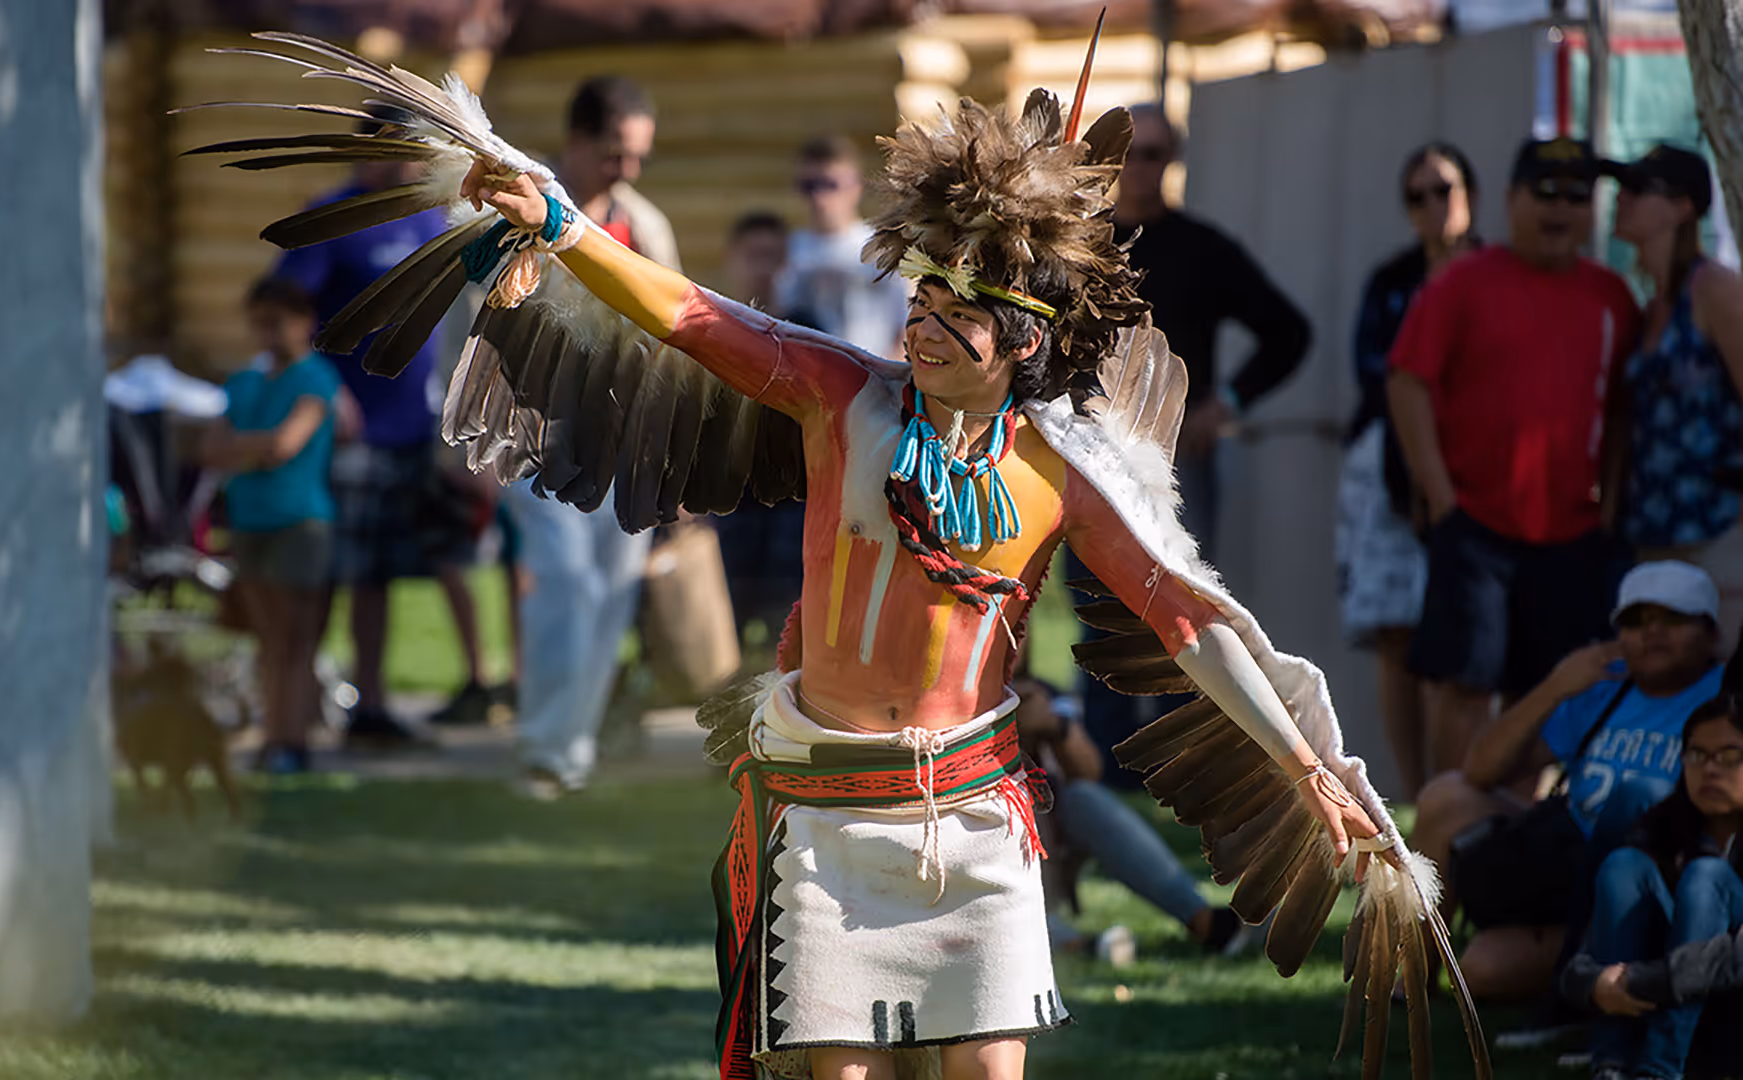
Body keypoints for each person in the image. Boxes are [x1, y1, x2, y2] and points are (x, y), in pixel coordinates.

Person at [202, 44, 1484, 1080]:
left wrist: (1308, 764)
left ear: (1023, 343)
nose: (922, 319)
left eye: (957, 308)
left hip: (974, 818)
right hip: (820, 814)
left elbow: (1194, 622)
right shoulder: (839, 399)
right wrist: (558, 221)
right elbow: (696, 315)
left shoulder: (1057, 475)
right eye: (918, 293)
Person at [1388, 135, 1643, 781]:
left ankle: (1511, 844)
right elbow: (1407, 381)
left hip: (1572, 535)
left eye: (1577, 196)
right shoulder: (1465, 283)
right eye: (1545, 192)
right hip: (1476, 527)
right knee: (1464, 691)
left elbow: (1618, 411)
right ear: (1510, 199)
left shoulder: (1612, 295)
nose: (1560, 208)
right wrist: (1443, 500)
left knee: (1547, 694)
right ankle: (1446, 846)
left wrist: (1608, 503)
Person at [1072, 103, 1312, 783]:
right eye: (1126, 154)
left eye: (1152, 154)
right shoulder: (1079, 248)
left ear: (1171, 161)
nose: (1138, 168)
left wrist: (1225, 404)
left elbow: (1288, 331)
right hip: (1089, 460)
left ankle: (1184, 773)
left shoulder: (1203, 249)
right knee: (1098, 613)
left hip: (1174, 465)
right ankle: (1107, 771)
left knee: (1181, 614)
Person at [1411, 561, 1725, 1001]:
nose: (1653, 631)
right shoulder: (1603, 688)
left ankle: (1602, 986)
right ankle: (1405, 982)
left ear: (1712, 633)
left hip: (1655, 884)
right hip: (1567, 868)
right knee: (1447, 796)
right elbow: (1480, 770)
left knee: (1482, 970)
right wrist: (1556, 686)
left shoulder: (1727, 698)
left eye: (1673, 618)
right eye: (1636, 621)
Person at [275, 139, 500, 743]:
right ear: (368, 154)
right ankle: (296, 713)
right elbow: (286, 312)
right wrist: (324, 390)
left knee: (380, 576)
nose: (410, 169)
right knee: (324, 575)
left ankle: (368, 706)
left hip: (413, 433)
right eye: (398, 156)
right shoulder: (333, 219)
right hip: (347, 433)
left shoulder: (434, 220)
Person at [501, 74, 675, 799]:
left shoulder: (644, 224)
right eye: (613, 153)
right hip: (531, 430)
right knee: (564, 584)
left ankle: (572, 745)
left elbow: (674, 333)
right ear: (575, 141)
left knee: (611, 591)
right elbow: (465, 323)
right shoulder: (516, 207)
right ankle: (546, 748)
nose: (626, 169)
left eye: (637, 156)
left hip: (625, 439)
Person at [1335, 142, 1481, 800]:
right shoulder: (1393, 280)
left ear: (1471, 196)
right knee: (1396, 633)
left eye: (1443, 190)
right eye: (1417, 196)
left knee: (1461, 636)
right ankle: (1417, 789)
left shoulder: (1492, 275)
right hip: (1389, 473)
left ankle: (1459, 783)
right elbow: (1377, 373)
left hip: (1476, 472)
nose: (1432, 206)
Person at [1563, 695, 1743, 1080]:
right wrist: (1595, 983)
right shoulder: (1664, 825)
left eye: (1729, 756)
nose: (1710, 769)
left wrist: (1639, 980)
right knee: (1622, 866)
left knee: (1706, 876)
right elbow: (1579, 964)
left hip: (1730, 1024)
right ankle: (1611, 1066)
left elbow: (1736, 961)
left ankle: (1656, 1073)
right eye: (1697, 754)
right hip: (1657, 1003)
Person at [203, 278, 341, 774]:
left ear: (303, 322)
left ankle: (292, 738)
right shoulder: (243, 381)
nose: (265, 332)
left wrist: (248, 446)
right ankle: (272, 738)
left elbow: (286, 444)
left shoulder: (316, 379)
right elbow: (211, 448)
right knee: (266, 639)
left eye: (275, 321)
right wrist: (256, 448)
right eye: (258, 321)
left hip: (299, 520)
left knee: (294, 638)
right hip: (250, 520)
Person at [1606, 145, 1743, 646]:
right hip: (1653, 538)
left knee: (1724, 692)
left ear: (1683, 206)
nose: (1623, 199)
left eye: (1640, 189)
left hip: (1719, 536)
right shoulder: (1649, 305)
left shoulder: (1715, 289)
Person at [1012, 681, 1255, 959]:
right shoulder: (962, 698)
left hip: (1050, 846)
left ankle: (1205, 921)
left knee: (1083, 798)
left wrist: (1053, 725)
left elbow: (1088, 771)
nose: (1015, 642)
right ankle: (1077, 945)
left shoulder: (1041, 693)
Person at [713, 211, 807, 650]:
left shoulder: (811, 330)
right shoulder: (709, 328)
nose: (763, 268)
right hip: (725, 502)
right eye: (754, 256)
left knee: (784, 630)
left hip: (792, 506)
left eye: (773, 257)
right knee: (721, 625)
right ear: (732, 259)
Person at [775, 135, 911, 360]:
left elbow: (905, 323)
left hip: (876, 375)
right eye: (809, 186)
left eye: (830, 185)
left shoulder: (882, 247)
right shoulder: (787, 250)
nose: (819, 197)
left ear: (855, 186)